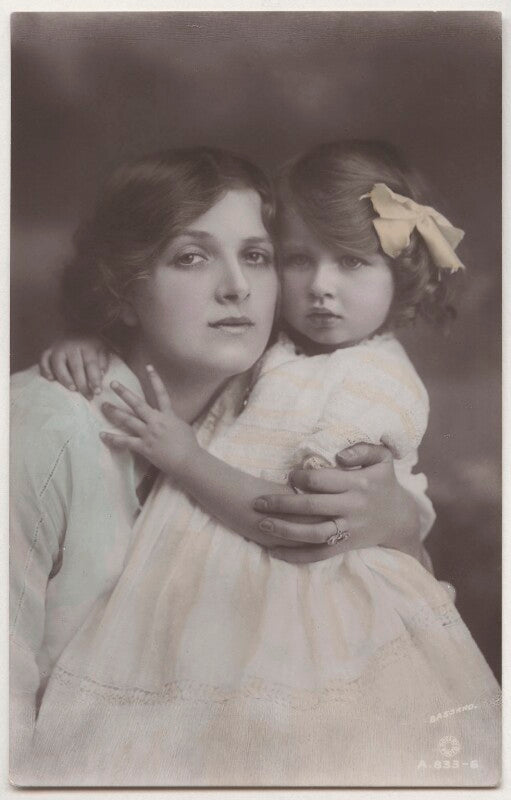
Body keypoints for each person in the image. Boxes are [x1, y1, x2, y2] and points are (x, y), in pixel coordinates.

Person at [8, 145, 469, 787]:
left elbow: (356, 555)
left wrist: (398, 521)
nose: (238, 287)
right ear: (123, 287)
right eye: (191, 257)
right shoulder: (41, 430)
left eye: (256, 256)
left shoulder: (273, 386)